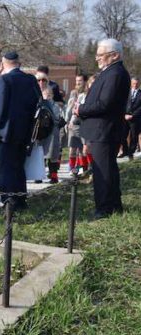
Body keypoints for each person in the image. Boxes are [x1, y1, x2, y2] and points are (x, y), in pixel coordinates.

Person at [75, 38, 131, 220]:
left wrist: (81, 109)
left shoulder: (115, 73)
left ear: (114, 55)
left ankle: (105, 209)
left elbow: (105, 104)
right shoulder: (111, 72)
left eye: (101, 55)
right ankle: (113, 206)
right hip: (103, 130)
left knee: (103, 171)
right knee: (107, 169)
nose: (97, 59)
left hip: (105, 130)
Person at [0, 52, 40, 210]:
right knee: (18, 167)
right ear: (18, 63)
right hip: (25, 131)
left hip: (6, 133)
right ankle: (21, 200)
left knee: (5, 169)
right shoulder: (30, 79)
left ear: (3, 64)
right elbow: (37, 102)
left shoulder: (3, 80)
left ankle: (9, 202)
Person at [36, 73, 63, 183]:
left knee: (52, 154)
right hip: (38, 131)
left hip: (51, 131)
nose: (41, 82)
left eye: (44, 80)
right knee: (38, 154)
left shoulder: (53, 104)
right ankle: (38, 174)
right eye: (38, 80)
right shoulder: (34, 97)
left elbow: (57, 116)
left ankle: (53, 175)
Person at [65, 74, 88, 174]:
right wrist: (67, 120)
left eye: (80, 81)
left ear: (85, 82)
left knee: (82, 148)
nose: (78, 83)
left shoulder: (87, 93)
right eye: (76, 81)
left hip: (83, 123)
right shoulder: (73, 93)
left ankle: (83, 167)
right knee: (72, 148)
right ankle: (72, 168)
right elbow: (69, 109)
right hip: (73, 123)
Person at [122, 77, 140, 159]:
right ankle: (125, 151)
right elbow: (122, 104)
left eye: (137, 84)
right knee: (122, 135)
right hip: (125, 117)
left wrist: (133, 115)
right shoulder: (126, 93)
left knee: (133, 136)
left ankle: (130, 153)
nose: (135, 85)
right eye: (133, 83)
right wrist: (124, 114)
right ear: (131, 83)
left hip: (135, 119)